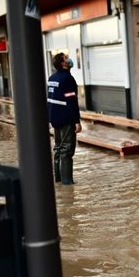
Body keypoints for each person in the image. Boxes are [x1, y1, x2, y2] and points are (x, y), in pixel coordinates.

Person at [47, 52, 81, 185]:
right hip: (66, 118)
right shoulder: (68, 79)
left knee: (58, 147)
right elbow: (72, 101)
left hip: (54, 117)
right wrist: (77, 121)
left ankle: (58, 179)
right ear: (63, 63)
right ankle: (67, 182)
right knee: (67, 149)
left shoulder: (52, 78)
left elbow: (49, 99)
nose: (69, 59)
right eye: (66, 58)